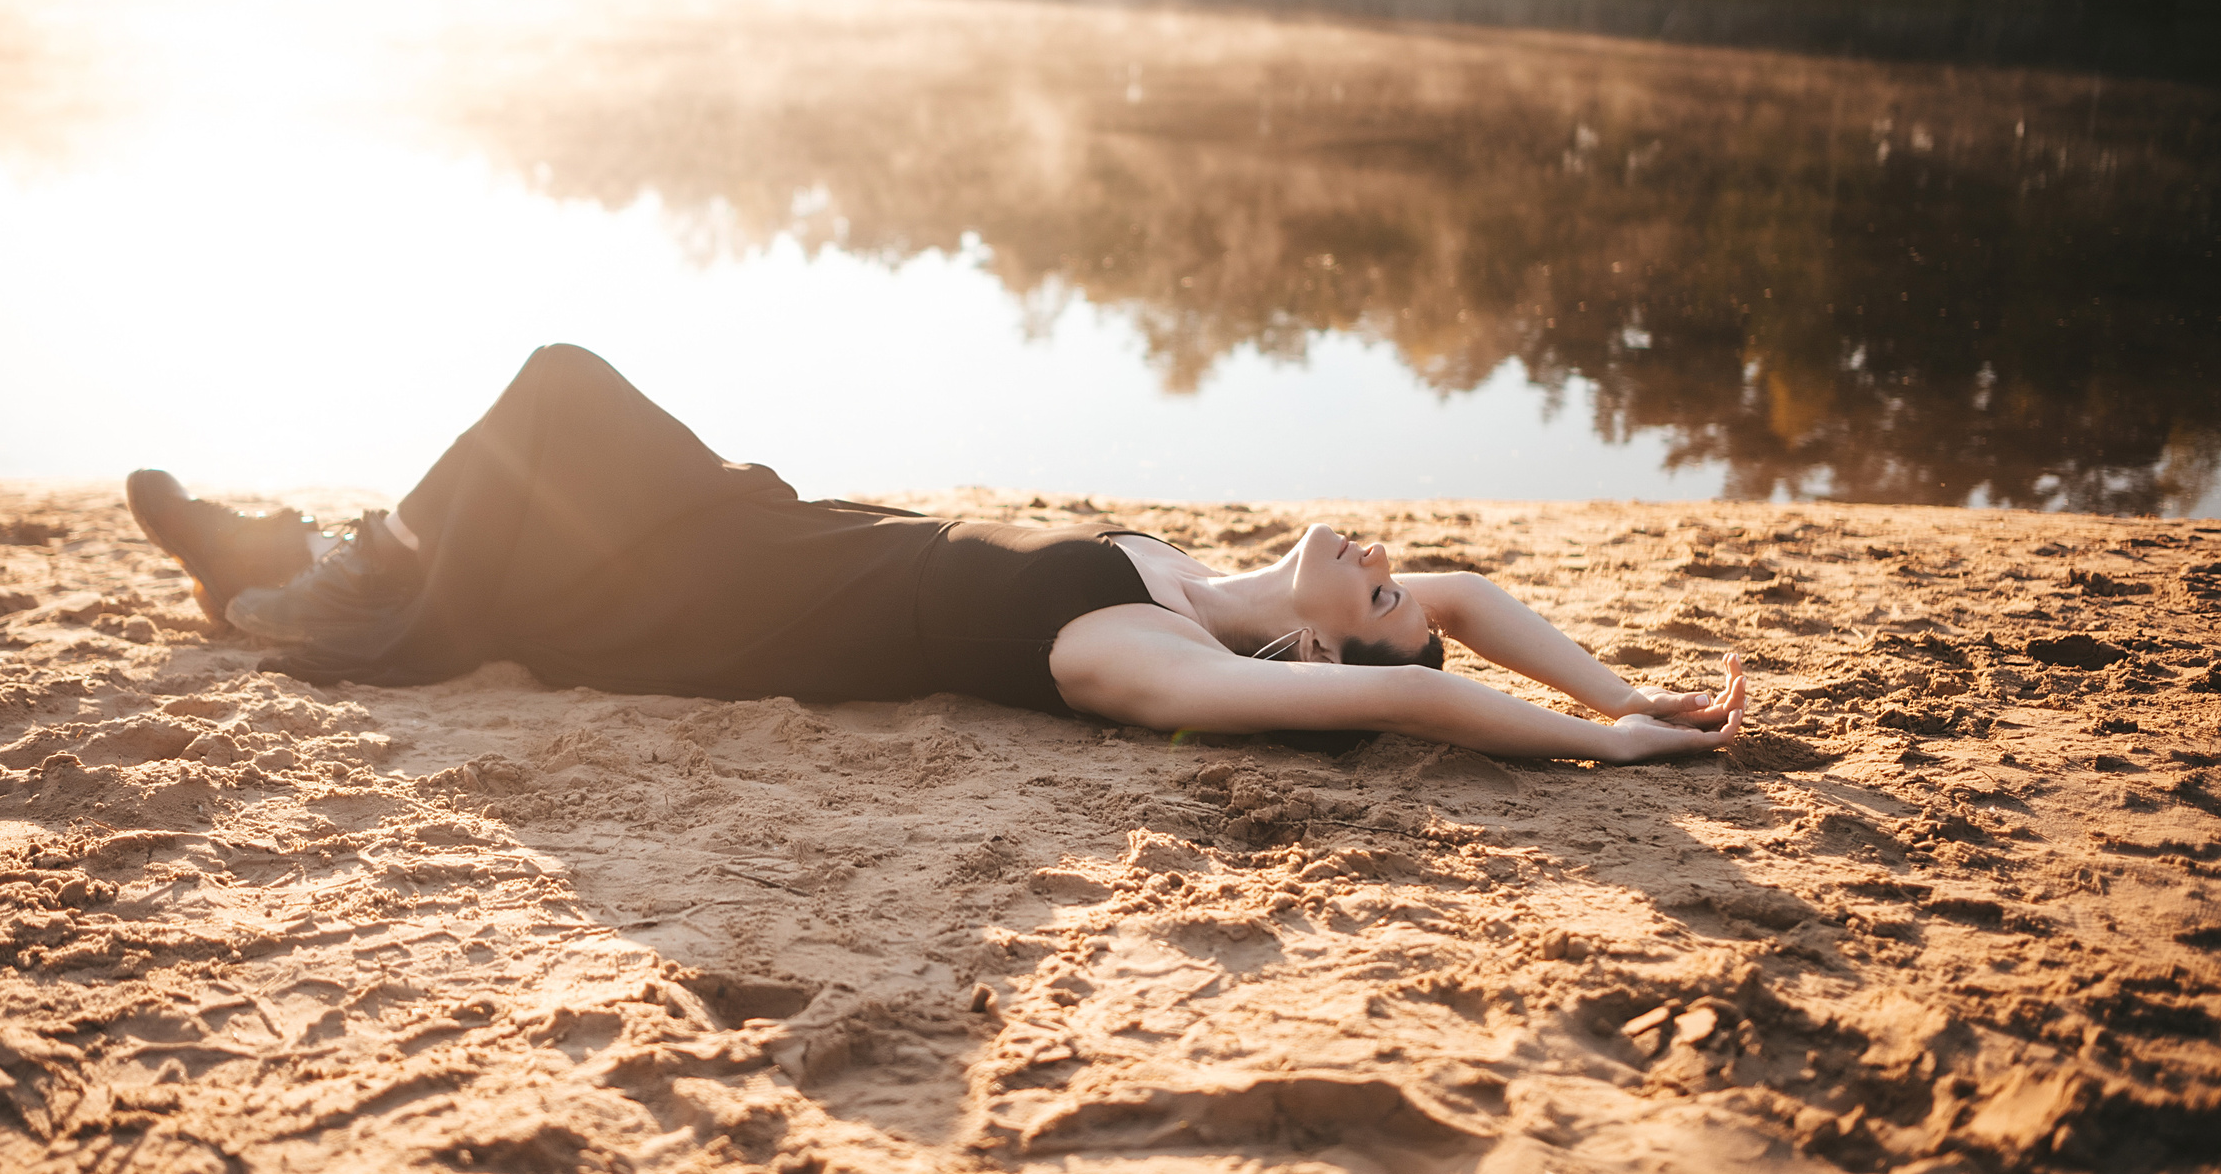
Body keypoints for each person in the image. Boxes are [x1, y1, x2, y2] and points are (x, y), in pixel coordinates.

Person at [127, 344, 1746, 764]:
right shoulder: (1186, 576)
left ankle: (307, 585)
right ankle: (297, 558)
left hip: (749, 607)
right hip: (795, 527)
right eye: (1400, 570)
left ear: (1321, 652)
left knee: (555, 403)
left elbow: (1412, 697)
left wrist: (1601, 748)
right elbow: (1455, 608)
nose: (1393, 557)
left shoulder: (1152, 660)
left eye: (1374, 591)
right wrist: (1636, 680)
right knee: (550, 422)